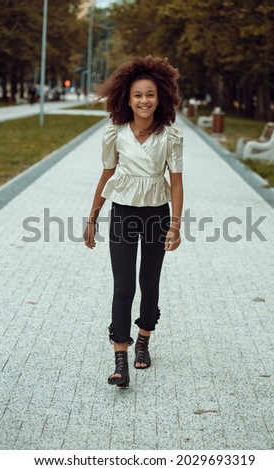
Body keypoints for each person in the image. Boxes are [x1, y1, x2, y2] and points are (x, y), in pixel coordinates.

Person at [84, 56, 183, 387]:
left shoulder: (170, 136)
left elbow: (177, 182)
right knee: (123, 286)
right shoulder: (116, 134)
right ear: (126, 98)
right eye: (138, 94)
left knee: (149, 282)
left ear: (161, 97)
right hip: (123, 214)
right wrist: (92, 217)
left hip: (157, 214)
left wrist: (176, 224)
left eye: (150, 94)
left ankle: (144, 341)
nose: (144, 100)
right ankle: (120, 359)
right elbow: (107, 174)